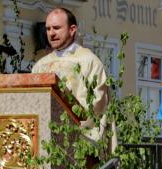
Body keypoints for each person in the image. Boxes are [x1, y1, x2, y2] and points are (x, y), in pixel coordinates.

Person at [32, 7, 110, 142]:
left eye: (56, 28)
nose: (51, 33)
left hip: (76, 140)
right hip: (44, 140)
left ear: (72, 29)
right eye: (48, 29)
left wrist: (76, 129)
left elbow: (98, 103)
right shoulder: (40, 66)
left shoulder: (89, 62)